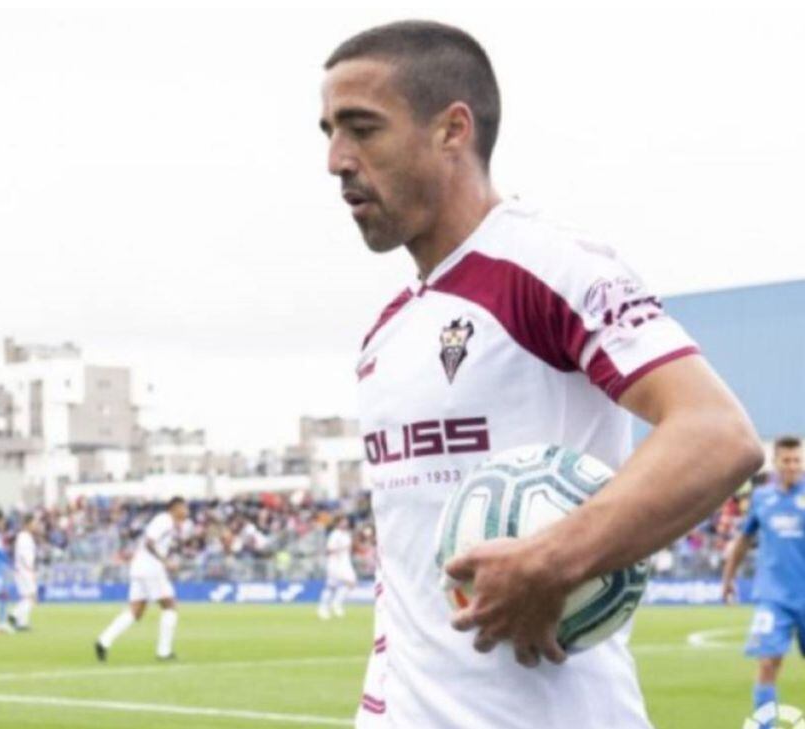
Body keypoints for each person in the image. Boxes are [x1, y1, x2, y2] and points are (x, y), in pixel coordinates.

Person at [319, 20, 762, 727]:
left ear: (451, 130)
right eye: (329, 132)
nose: (337, 159)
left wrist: (553, 557)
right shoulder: (387, 333)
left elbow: (718, 433)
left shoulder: (548, 267)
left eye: (362, 128)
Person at [722, 436, 805, 723]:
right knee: (768, 662)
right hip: (774, 598)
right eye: (787, 460)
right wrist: (728, 578)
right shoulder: (761, 498)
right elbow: (744, 540)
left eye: (797, 460)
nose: (793, 466)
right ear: (776, 462)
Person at [95, 497, 189, 662]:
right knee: (170, 605)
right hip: (150, 568)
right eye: (184, 508)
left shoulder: (167, 522)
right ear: (176, 507)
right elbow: (149, 542)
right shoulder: (165, 520)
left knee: (135, 611)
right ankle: (163, 652)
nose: (186, 511)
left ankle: (104, 640)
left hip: (139, 567)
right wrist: (164, 561)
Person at [319, 515, 357, 619]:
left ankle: (336, 604)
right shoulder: (334, 535)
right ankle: (323, 608)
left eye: (346, 521)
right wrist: (341, 548)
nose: (345, 523)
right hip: (335, 563)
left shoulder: (347, 535)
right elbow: (329, 550)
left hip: (345, 563)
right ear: (338, 523)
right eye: (343, 521)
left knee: (352, 582)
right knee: (331, 586)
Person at [9, 513, 41, 632]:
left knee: (26, 597)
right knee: (31, 597)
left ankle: (22, 623)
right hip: (25, 571)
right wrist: (31, 570)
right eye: (34, 523)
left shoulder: (24, 536)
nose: (36, 525)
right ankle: (14, 614)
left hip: (22, 570)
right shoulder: (24, 537)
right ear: (28, 524)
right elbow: (24, 557)